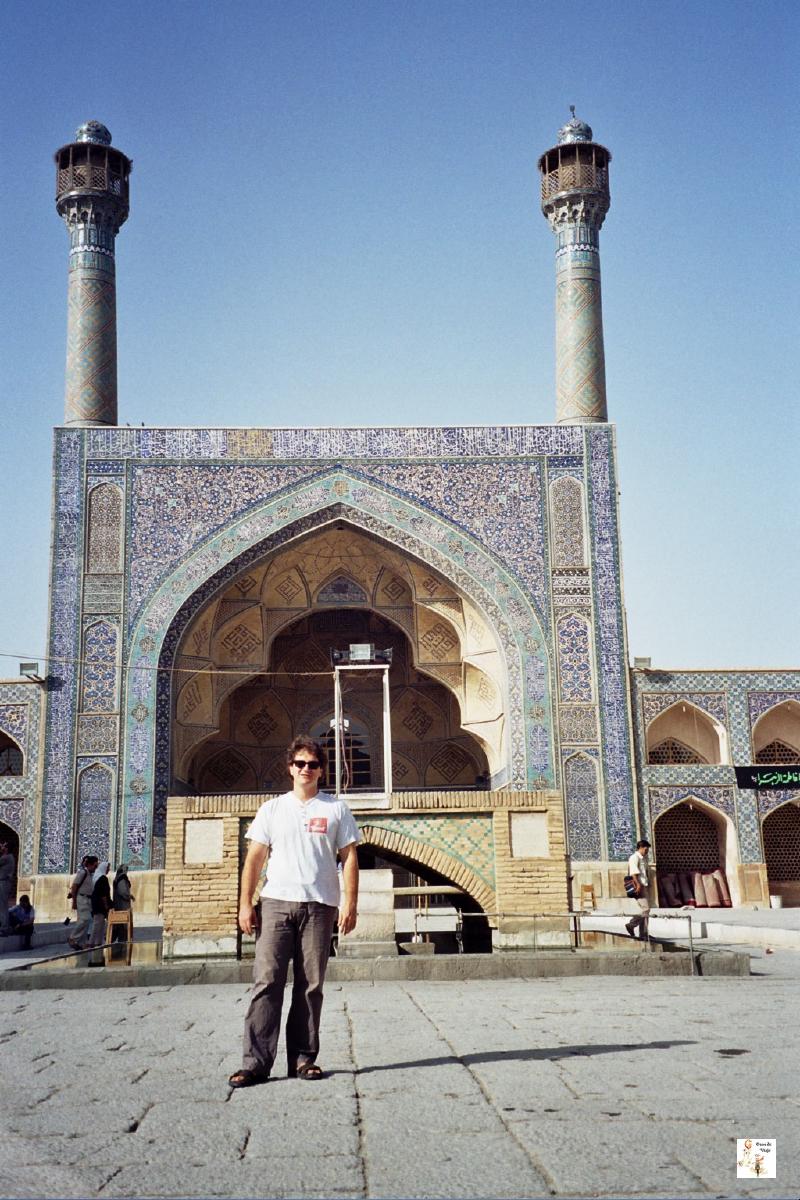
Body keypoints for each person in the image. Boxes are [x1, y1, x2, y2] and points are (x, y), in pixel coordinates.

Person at [229, 735, 360, 1089]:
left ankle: (303, 1058)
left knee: (310, 985)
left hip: (320, 905)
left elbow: (349, 858)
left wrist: (350, 903)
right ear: (290, 768)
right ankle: (255, 1063)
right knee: (267, 981)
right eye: (300, 763)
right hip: (276, 903)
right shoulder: (272, 809)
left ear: (321, 770)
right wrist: (245, 903)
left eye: (313, 764)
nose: (306, 769)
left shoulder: (336, 809)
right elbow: (254, 859)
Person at [68, 854, 98, 949]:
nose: (96, 868)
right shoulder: (82, 873)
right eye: (95, 866)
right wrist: (74, 902)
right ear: (90, 864)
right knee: (85, 919)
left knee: (86, 921)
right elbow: (74, 887)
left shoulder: (90, 874)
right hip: (82, 898)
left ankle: (81, 943)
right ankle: (73, 938)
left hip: (88, 900)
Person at [625, 839, 651, 939]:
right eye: (646, 849)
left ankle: (644, 933)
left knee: (645, 910)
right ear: (640, 848)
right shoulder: (634, 858)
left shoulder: (643, 858)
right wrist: (638, 885)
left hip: (644, 885)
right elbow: (633, 873)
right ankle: (631, 924)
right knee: (646, 909)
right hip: (638, 886)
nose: (647, 851)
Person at [89, 862, 112, 947]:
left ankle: (98, 942)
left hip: (96, 903)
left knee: (101, 924)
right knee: (97, 924)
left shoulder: (97, 877)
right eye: (107, 868)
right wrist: (106, 905)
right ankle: (91, 942)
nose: (108, 870)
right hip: (99, 905)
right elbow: (103, 894)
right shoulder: (102, 878)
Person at [111, 864, 134, 942]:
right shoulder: (122, 879)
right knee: (123, 924)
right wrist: (129, 896)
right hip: (122, 905)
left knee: (120, 924)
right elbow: (123, 892)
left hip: (118, 904)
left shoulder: (118, 878)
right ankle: (122, 943)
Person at [0, 840, 15, 932]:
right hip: (5, 882)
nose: (2, 847)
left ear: (7, 849)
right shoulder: (10, 857)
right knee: (3, 905)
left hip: (3, 883)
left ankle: (4, 927)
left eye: (4, 846)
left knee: (2, 905)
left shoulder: (6, 857)